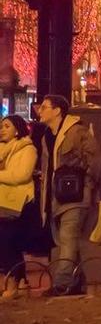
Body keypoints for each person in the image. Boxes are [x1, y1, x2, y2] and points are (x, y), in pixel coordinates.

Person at [37, 95, 101, 296]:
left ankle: (62, 283)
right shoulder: (46, 136)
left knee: (68, 238)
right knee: (65, 240)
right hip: (55, 197)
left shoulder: (77, 132)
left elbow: (96, 161)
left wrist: (87, 185)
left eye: (45, 107)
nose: (40, 111)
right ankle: (75, 282)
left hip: (75, 197)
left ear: (57, 111)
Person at [0, 115, 36, 298]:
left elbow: (21, 175)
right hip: (2, 201)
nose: (2, 129)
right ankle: (18, 280)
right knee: (6, 244)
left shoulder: (27, 149)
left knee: (8, 243)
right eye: (1, 126)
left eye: (7, 126)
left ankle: (13, 283)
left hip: (17, 203)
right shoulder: (2, 150)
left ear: (17, 129)